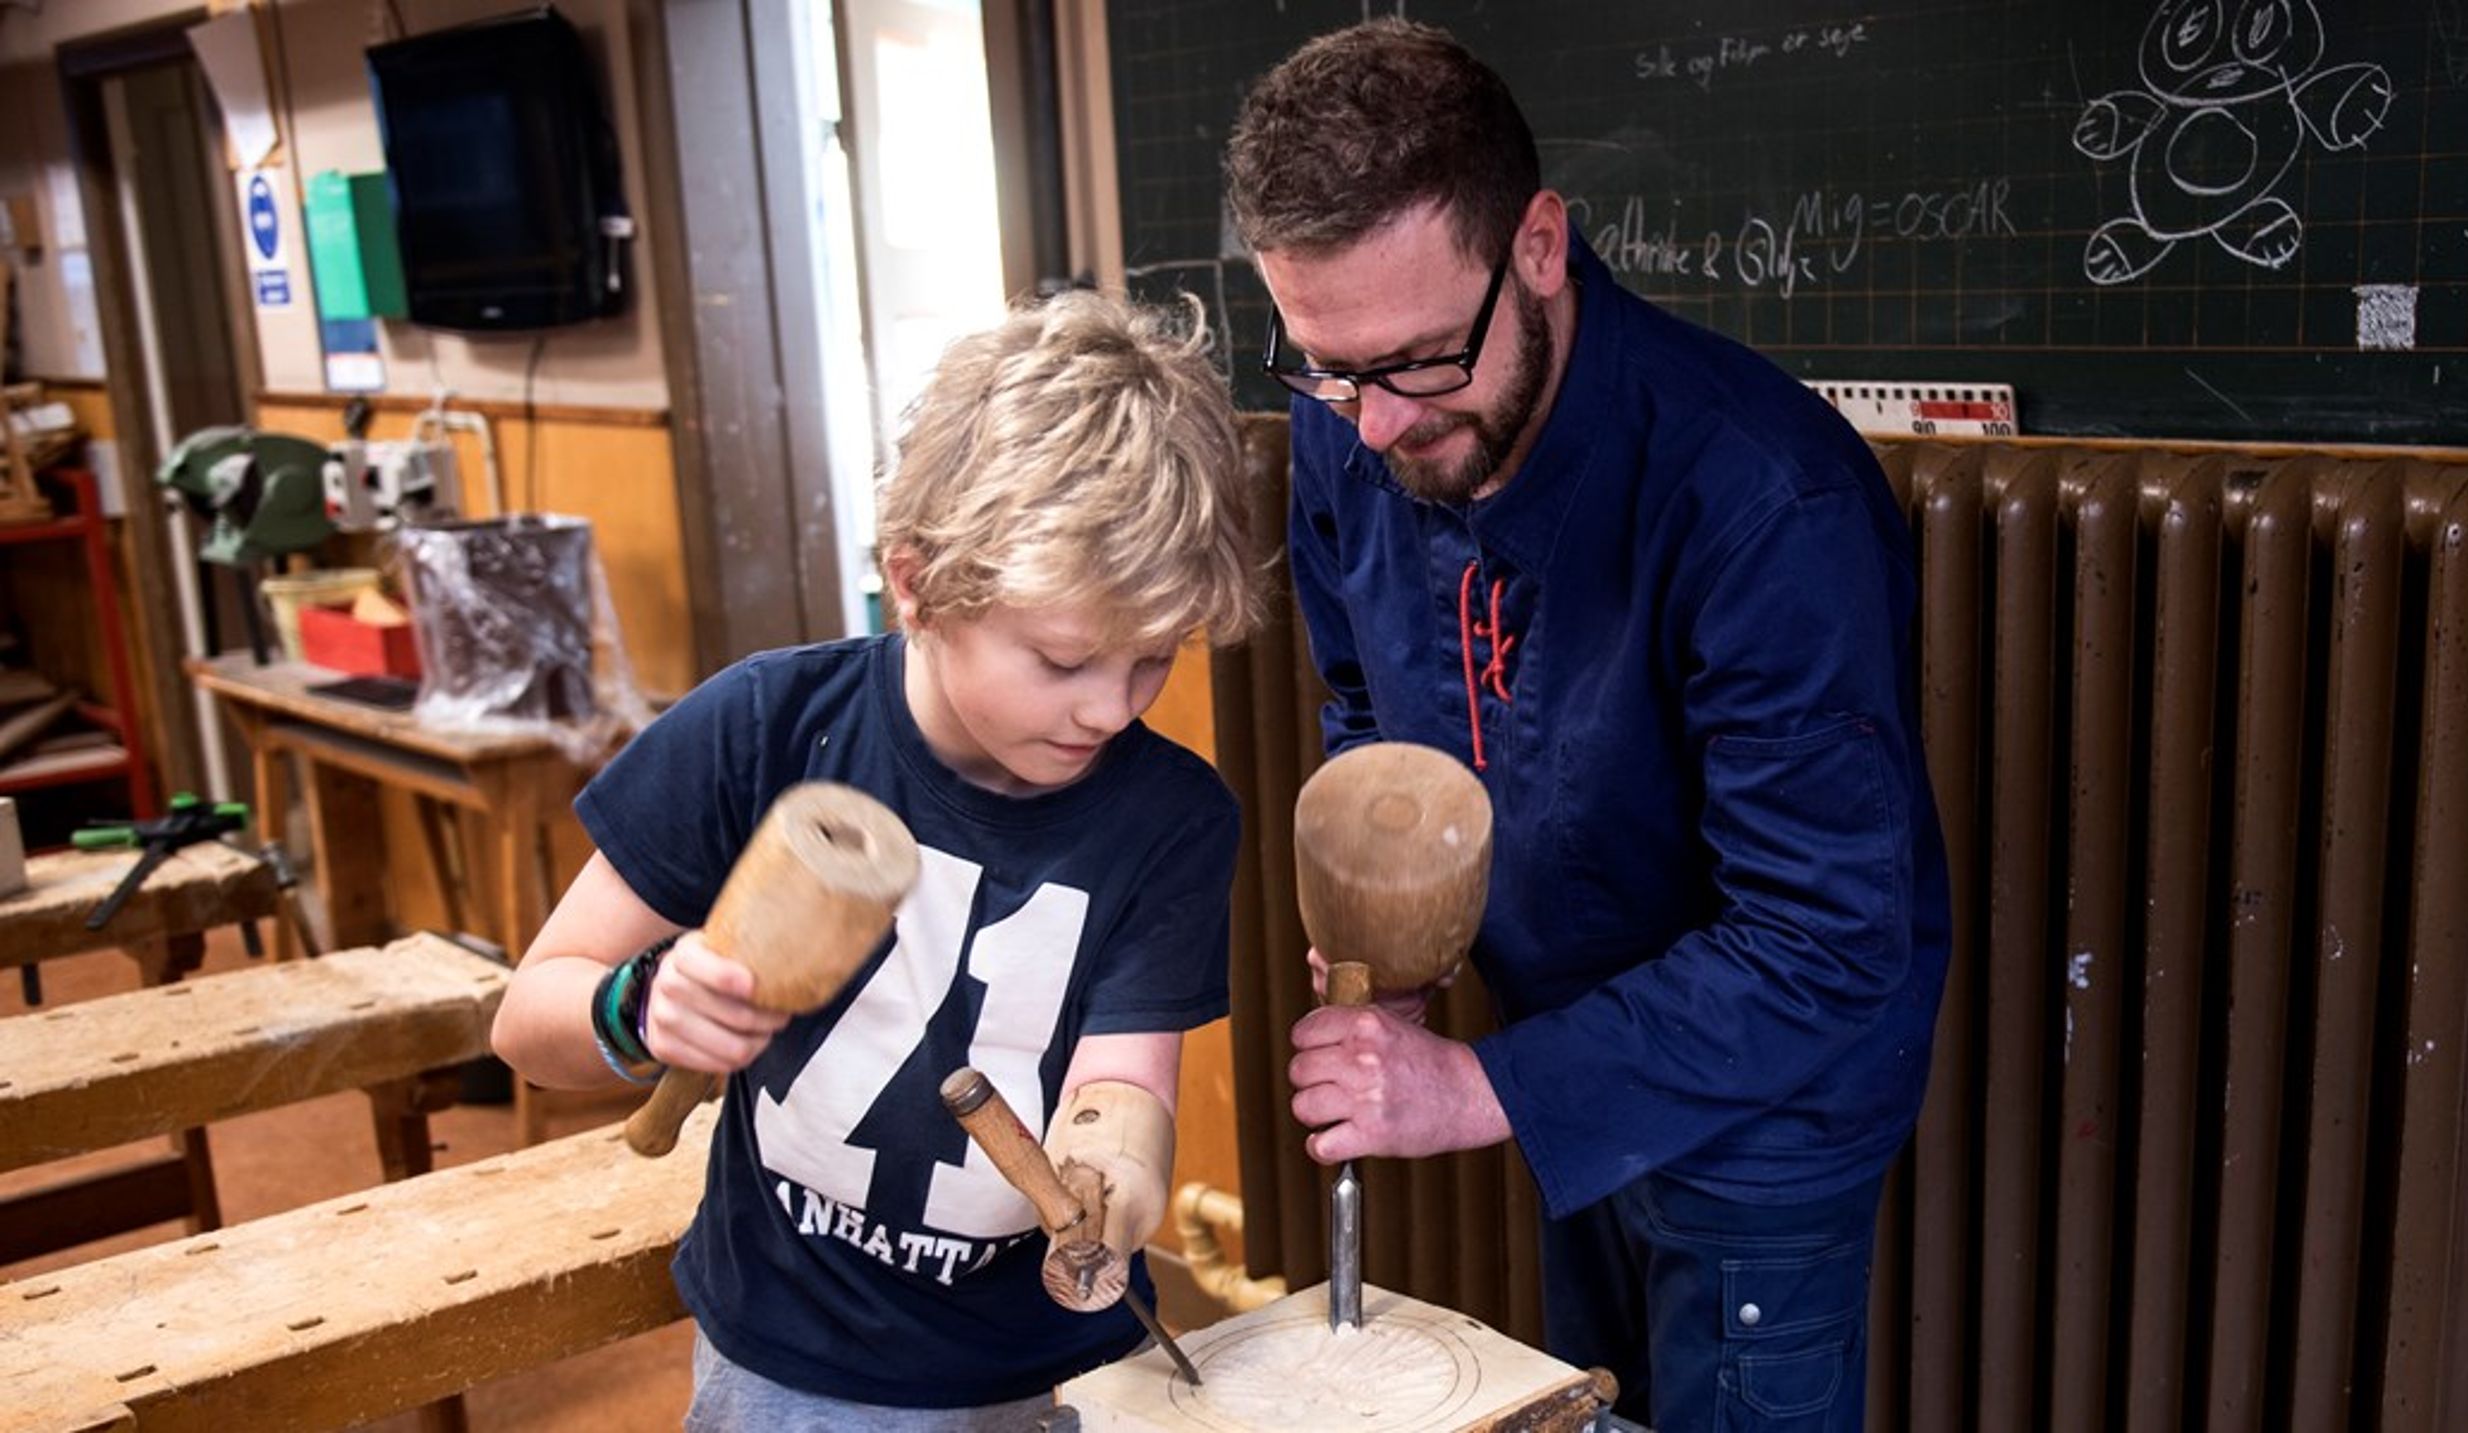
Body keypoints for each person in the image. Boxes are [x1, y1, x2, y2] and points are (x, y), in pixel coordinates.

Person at [1225, 20, 1951, 1430]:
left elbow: (1822, 940)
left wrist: (1483, 1085)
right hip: (1557, 1041)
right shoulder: (1357, 416)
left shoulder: (1761, 502)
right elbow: (1371, 703)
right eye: (1325, 366)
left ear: (1541, 247)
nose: (1370, 430)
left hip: (1768, 1101)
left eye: (1420, 363)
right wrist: (1400, 917)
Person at [489, 290, 1260, 1428]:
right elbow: (526, 1020)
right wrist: (639, 1005)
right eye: (1062, 657)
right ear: (917, 581)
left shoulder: (1171, 816)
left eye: (1153, 656)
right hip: (796, 1365)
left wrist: (1118, 1181)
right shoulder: (763, 728)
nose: (1109, 706)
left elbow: (1119, 1083)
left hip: (1058, 1362)